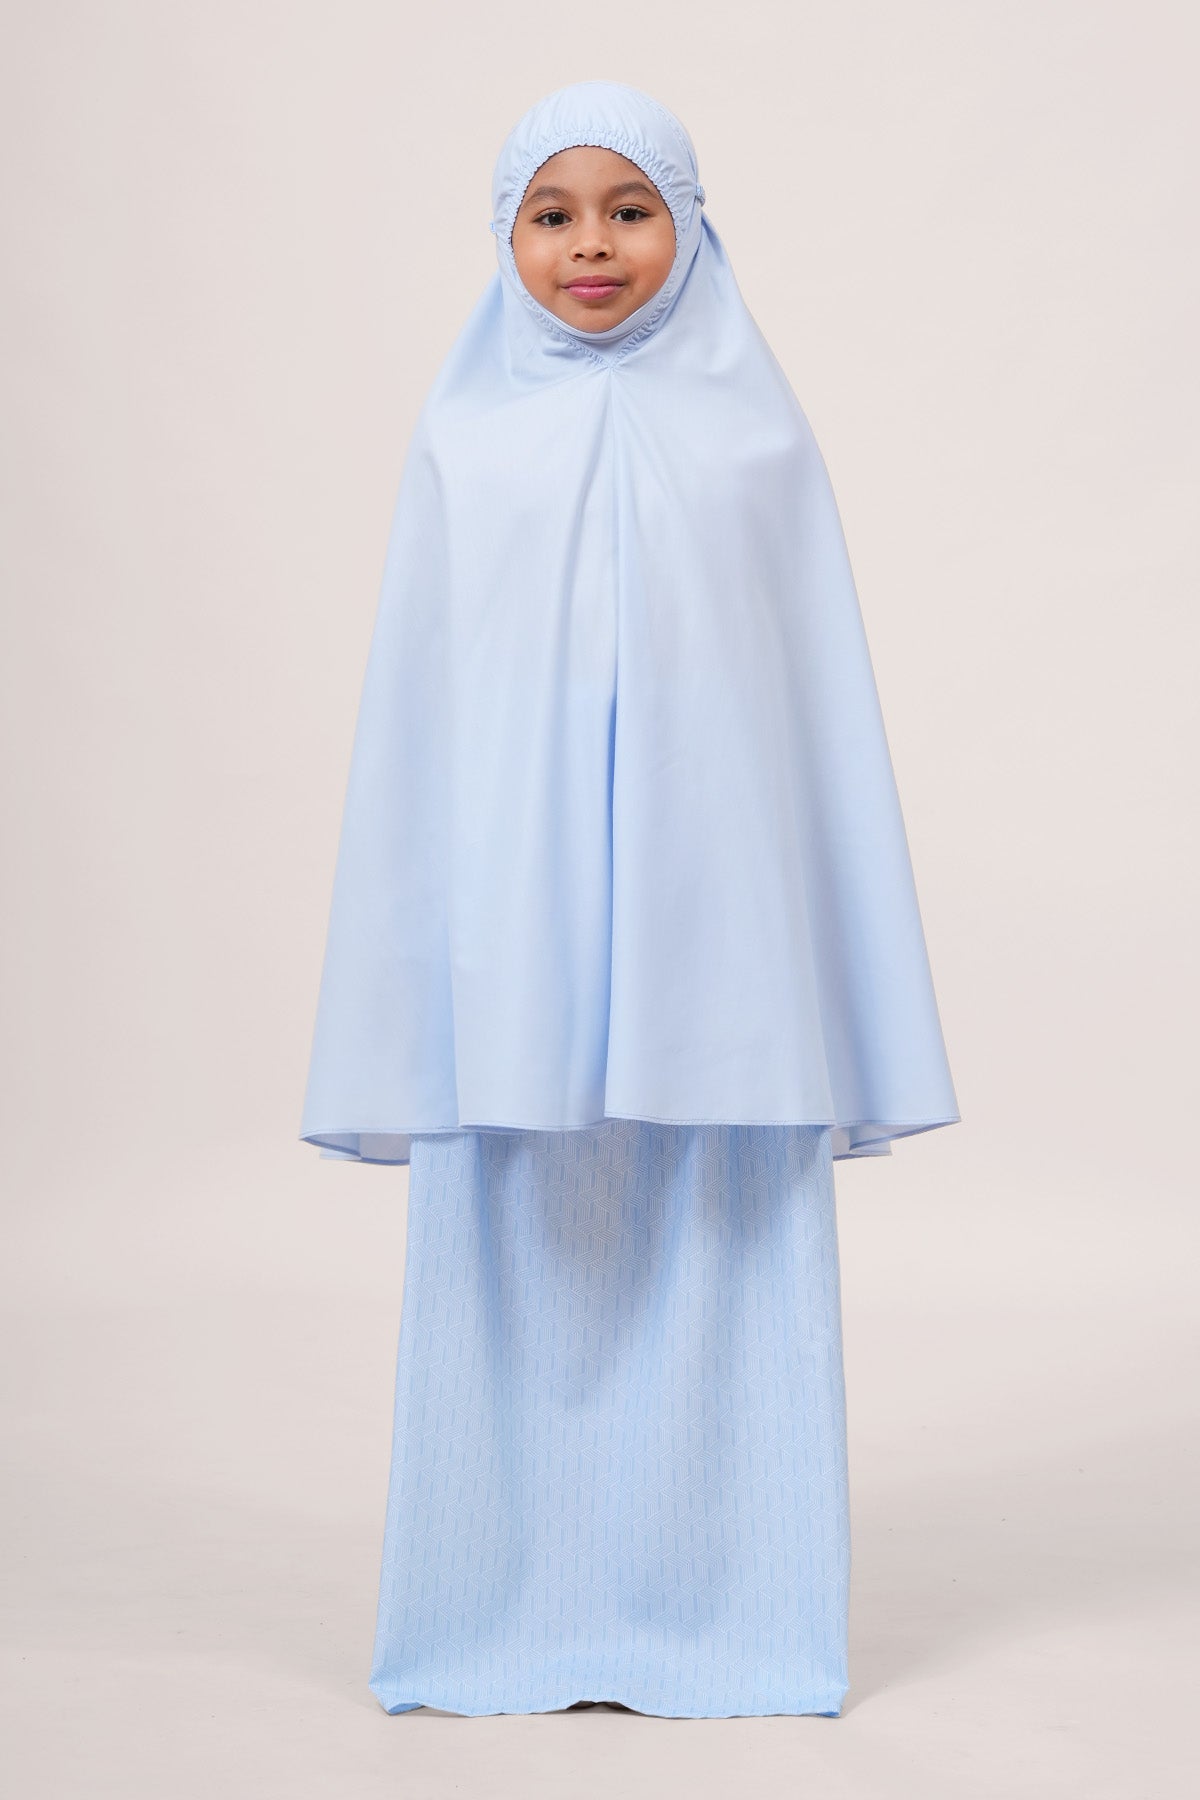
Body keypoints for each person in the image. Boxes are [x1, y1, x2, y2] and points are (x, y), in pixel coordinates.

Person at [299, 79, 959, 1720]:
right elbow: (426, 718)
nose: (590, 245)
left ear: (692, 224)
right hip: (516, 948)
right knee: (517, 1244)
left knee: (724, 1244)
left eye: (629, 209)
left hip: (718, 947)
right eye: (552, 213)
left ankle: (738, 1614)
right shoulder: (465, 440)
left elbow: (803, 712)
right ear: (507, 234)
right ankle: (493, 1613)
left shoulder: (757, 440)